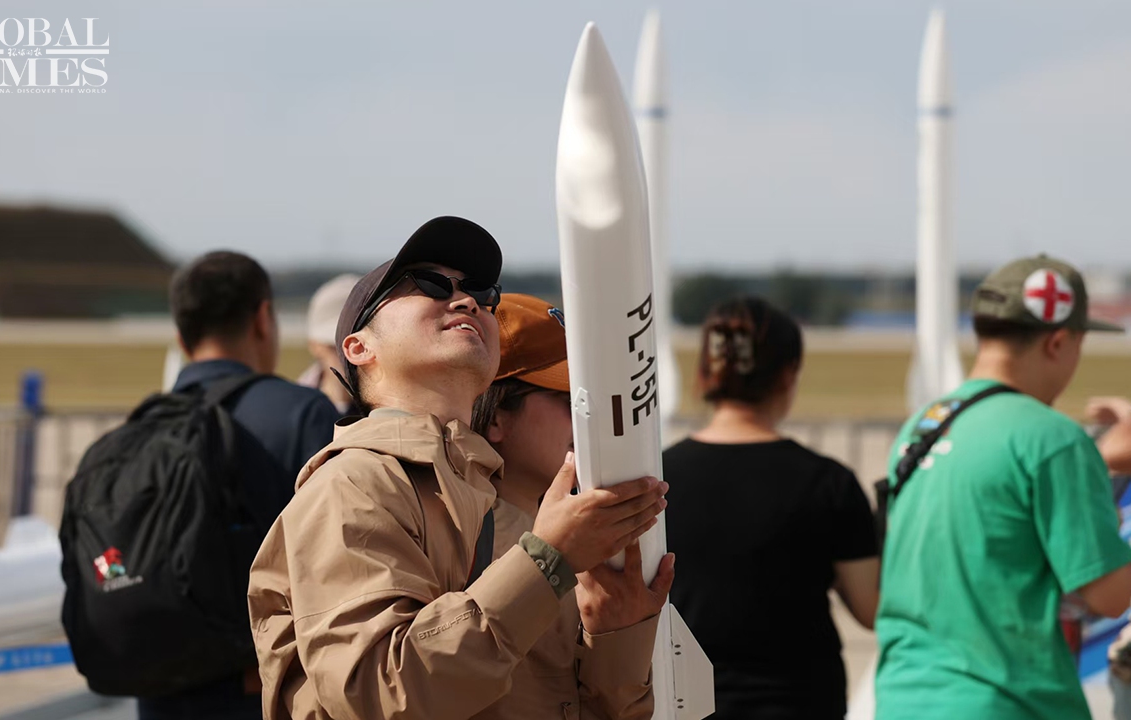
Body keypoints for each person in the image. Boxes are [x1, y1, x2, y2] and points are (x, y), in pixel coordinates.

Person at [247, 217, 667, 720]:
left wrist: (615, 633)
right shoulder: (354, 484)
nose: (468, 300)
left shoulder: (505, 504)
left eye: (484, 294)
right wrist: (546, 561)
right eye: (428, 284)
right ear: (359, 347)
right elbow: (378, 695)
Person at [874, 255, 1131, 720]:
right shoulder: (1053, 439)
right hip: (1007, 703)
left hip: (904, 698)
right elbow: (1110, 595)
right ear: (1058, 342)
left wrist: (1095, 468)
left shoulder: (923, 426)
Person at [139, 251, 341, 720]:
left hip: (159, 694)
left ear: (181, 337)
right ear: (263, 319)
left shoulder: (143, 425)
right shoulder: (303, 413)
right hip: (266, 694)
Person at [662, 296, 879, 720]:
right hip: (799, 703)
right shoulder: (828, 483)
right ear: (788, 375)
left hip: (684, 704)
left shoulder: (658, 479)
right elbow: (870, 609)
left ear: (705, 372)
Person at [470, 293, 672, 720]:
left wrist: (617, 632)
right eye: (570, 403)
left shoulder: (585, 535)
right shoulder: (458, 538)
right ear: (496, 417)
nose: (589, 421)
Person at [298, 273, 360, 415]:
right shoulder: (294, 406)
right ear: (314, 345)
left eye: (360, 345)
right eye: (336, 346)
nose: (350, 357)